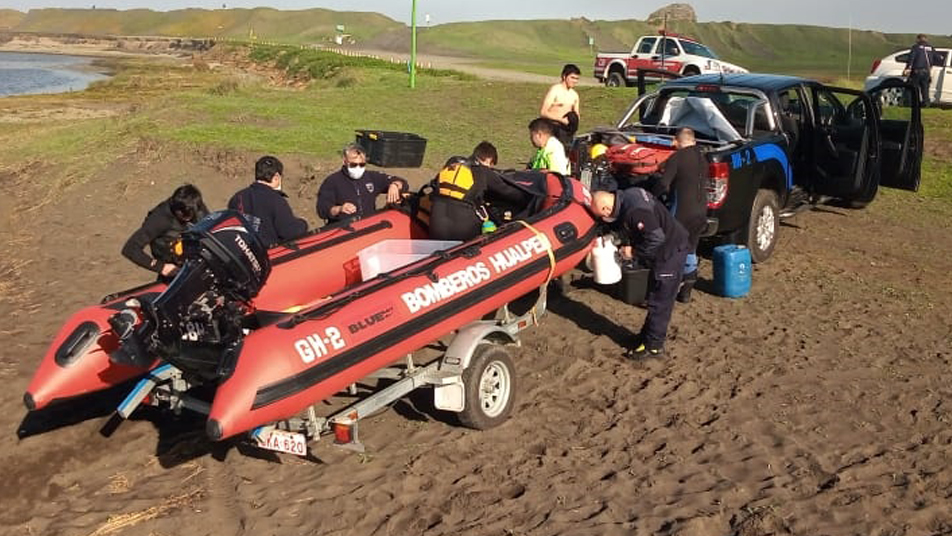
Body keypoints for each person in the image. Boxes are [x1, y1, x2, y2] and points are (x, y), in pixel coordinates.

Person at [591, 188, 690, 358]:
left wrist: (634, 252)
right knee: (654, 294)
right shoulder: (629, 194)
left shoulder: (635, 212)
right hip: (669, 243)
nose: (603, 219)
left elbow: (656, 239)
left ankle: (653, 346)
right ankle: (646, 337)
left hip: (671, 251)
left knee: (660, 300)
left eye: (601, 215)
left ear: (606, 209)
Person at [651, 128, 708, 303]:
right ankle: (686, 291)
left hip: (682, 211)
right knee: (691, 248)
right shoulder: (703, 159)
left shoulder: (677, 157)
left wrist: (651, 197)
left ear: (675, 142)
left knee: (671, 250)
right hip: (701, 212)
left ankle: (666, 288)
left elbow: (664, 183)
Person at [429, 143, 528, 241]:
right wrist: (529, 199)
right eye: (491, 165)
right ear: (488, 159)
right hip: (463, 231)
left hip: (435, 225)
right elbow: (509, 192)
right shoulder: (483, 172)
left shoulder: (451, 167)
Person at [122, 184, 209, 280]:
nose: (188, 219)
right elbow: (130, 248)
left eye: (191, 215)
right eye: (184, 216)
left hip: (200, 262)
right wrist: (161, 267)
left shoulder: (195, 206)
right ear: (177, 210)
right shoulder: (159, 219)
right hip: (173, 271)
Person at [316, 143, 408, 224]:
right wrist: (339, 209)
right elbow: (322, 210)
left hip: (368, 227)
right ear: (345, 161)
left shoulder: (372, 177)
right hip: (343, 229)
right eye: (353, 165)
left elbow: (402, 182)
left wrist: (394, 185)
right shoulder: (332, 181)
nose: (358, 168)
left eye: (362, 165)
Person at [228, 155, 308, 247]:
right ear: (276, 177)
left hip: (242, 252)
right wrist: (303, 224)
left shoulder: (237, 197)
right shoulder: (276, 201)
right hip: (269, 255)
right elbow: (290, 232)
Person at [540, 64, 581, 149]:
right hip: (553, 128)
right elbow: (543, 112)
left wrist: (574, 123)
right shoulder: (555, 90)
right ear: (564, 76)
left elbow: (577, 114)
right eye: (572, 78)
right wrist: (561, 120)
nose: (575, 81)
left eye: (577, 79)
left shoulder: (574, 95)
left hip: (567, 131)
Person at [904, 34, 937, 106]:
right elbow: (936, 57)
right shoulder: (931, 48)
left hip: (917, 71)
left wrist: (908, 68)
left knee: (913, 88)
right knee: (925, 89)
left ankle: (912, 104)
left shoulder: (916, 47)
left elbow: (911, 58)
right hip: (927, 72)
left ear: (918, 39)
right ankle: (926, 104)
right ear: (926, 39)